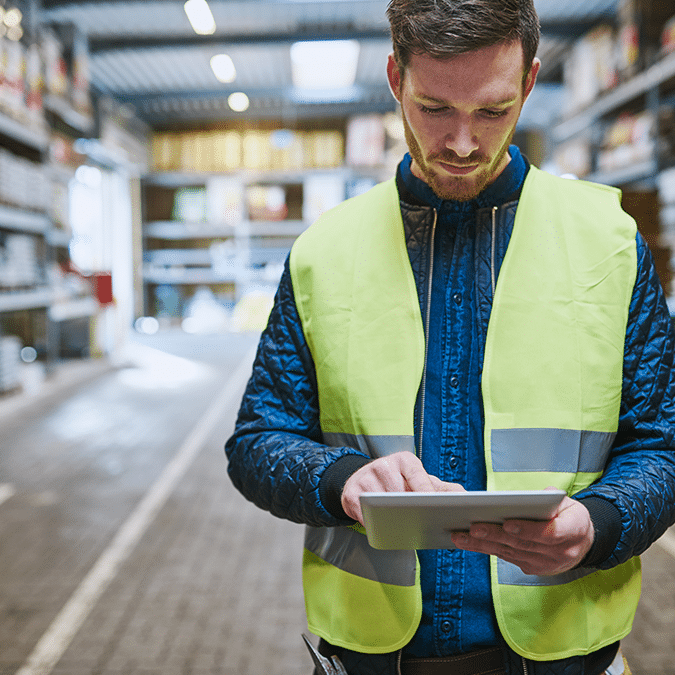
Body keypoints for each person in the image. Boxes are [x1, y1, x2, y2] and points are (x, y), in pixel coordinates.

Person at [225, 1, 675, 673]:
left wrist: (601, 522)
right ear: (393, 79)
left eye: (491, 111)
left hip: (562, 653)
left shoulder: (607, 244)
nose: (462, 143)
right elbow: (258, 438)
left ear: (526, 83)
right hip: (374, 656)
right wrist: (341, 479)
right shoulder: (326, 250)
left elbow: (661, 442)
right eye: (434, 108)